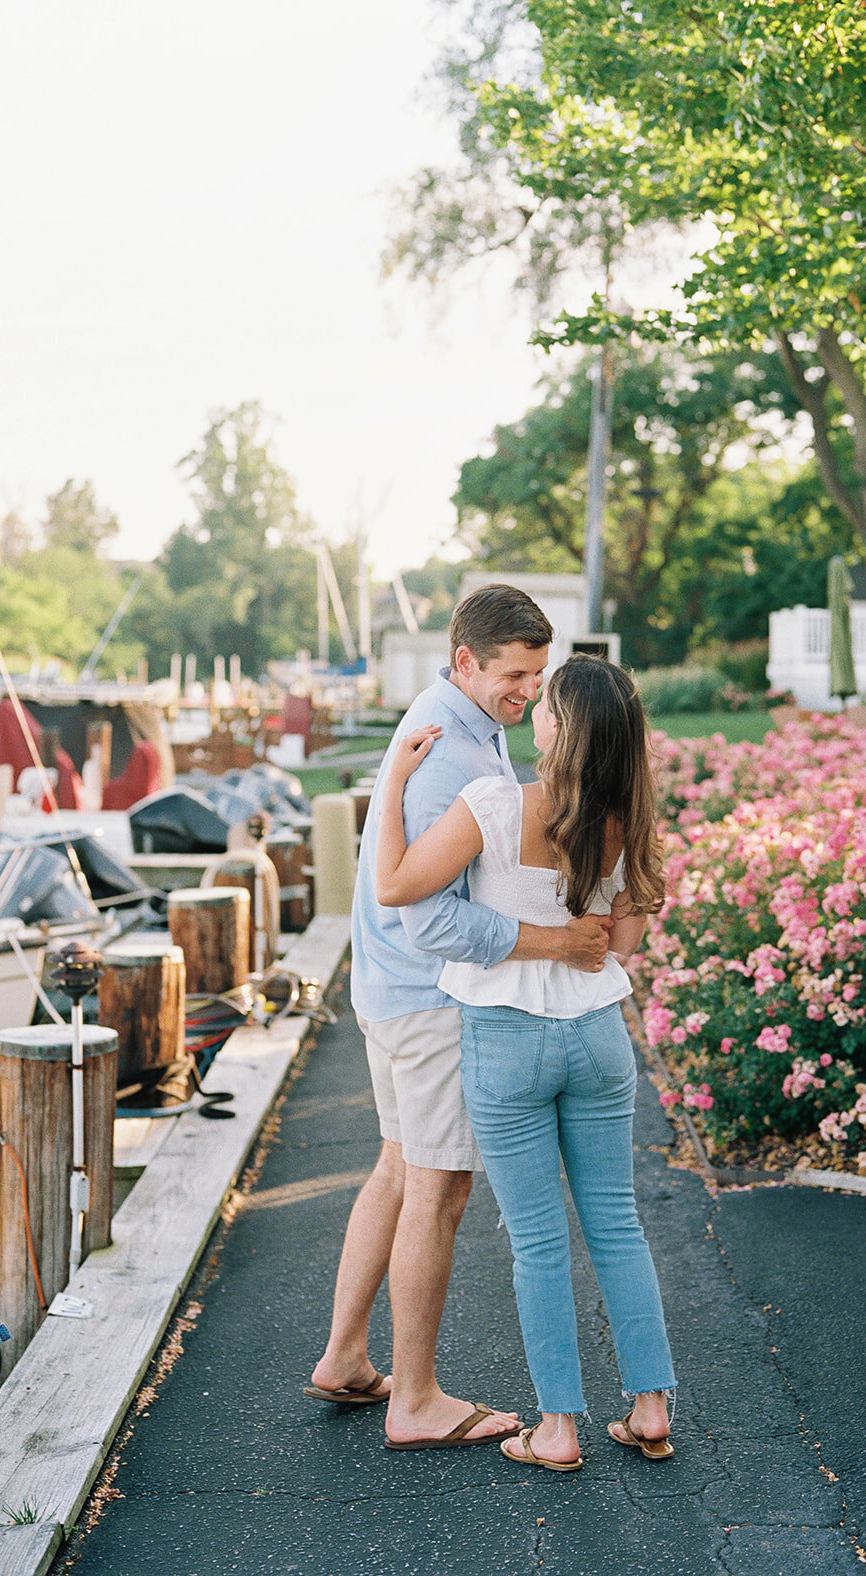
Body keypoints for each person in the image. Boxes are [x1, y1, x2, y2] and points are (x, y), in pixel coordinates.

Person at [307, 586, 613, 1450]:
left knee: (401, 1169)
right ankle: (415, 1401)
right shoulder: (452, 753)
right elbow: (429, 916)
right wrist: (549, 943)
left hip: (390, 992)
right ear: (467, 659)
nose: (528, 691)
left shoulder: (464, 721)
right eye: (514, 674)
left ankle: (343, 1359)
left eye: (537, 675)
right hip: (428, 998)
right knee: (440, 1188)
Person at [374, 653, 676, 1471]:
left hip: (505, 1037)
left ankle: (558, 1430)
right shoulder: (630, 821)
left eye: (544, 703)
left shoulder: (494, 804)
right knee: (615, 1224)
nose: (532, 711)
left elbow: (395, 886)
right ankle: (649, 1409)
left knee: (537, 1240)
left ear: (559, 728)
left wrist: (391, 788)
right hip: (598, 1039)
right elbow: (623, 943)